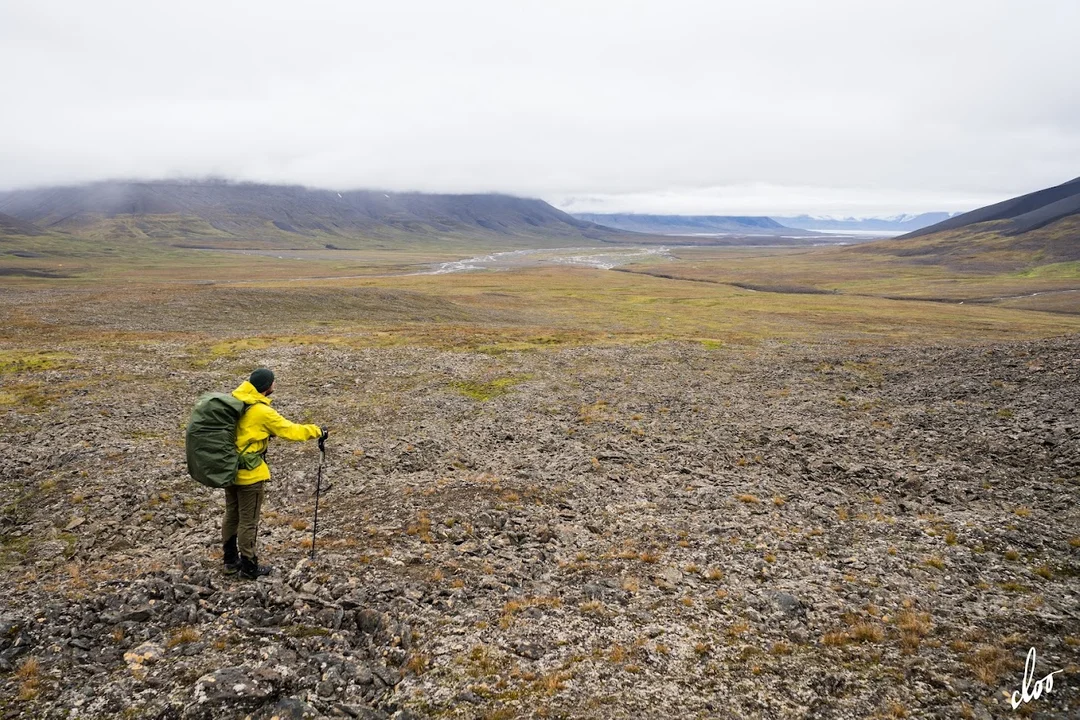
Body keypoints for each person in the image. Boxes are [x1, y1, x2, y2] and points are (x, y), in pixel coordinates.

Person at [222, 367, 327, 579]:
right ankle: (249, 566)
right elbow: (290, 430)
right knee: (248, 520)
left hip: (229, 468)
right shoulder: (262, 411)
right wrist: (318, 431)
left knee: (232, 515)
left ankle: (230, 561)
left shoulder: (236, 400)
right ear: (266, 387)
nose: (274, 385)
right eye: (272, 382)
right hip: (250, 474)